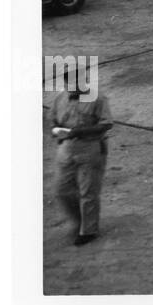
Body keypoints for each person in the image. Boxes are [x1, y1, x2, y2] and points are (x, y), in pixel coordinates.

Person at [50, 82, 113, 245]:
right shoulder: (60, 97)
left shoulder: (97, 98)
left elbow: (106, 124)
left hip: (90, 148)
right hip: (66, 148)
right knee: (62, 190)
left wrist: (80, 131)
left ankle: (89, 231)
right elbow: (53, 120)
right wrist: (56, 130)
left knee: (88, 191)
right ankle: (79, 221)